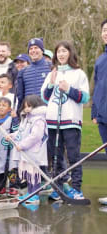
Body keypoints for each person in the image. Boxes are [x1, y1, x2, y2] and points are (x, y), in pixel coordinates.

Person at [41, 41, 90, 200]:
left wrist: (68, 89)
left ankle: (76, 188)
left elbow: (85, 98)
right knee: (55, 156)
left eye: (64, 51)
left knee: (73, 155)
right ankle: (58, 186)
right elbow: (45, 97)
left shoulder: (79, 73)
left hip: (71, 120)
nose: (61, 54)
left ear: (70, 53)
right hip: (53, 121)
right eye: (58, 52)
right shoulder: (52, 73)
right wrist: (51, 83)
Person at [8, 95, 48, 204]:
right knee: (28, 173)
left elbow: (35, 136)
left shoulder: (39, 119)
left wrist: (22, 145)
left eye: (29, 106)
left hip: (33, 151)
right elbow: (22, 131)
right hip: (26, 152)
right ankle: (30, 192)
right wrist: (13, 135)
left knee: (33, 173)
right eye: (25, 106)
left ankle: (34, 195)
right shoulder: (26, 118)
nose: (26, 109)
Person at [0, 97, 20, 196]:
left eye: (4, 105)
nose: (1, 107)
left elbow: (17, 130)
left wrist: (15, 118)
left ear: (9, 109)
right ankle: (0, 186)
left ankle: (13, 186)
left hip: (9, 148)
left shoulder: (11, 119)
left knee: (11, 168)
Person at [92, 19, 107, 206]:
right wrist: (94, 112)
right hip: (103, 116)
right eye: (104, 30)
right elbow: (97, 87)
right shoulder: (100, 59)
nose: (106, 33)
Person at [16, 38, 52, 110]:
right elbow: (20, 97)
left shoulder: (51, 67)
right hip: (29, 112)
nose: (33, 51)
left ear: (42, 50)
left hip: (48, 111)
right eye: (31, 48)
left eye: (36, 48)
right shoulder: (23, 72)